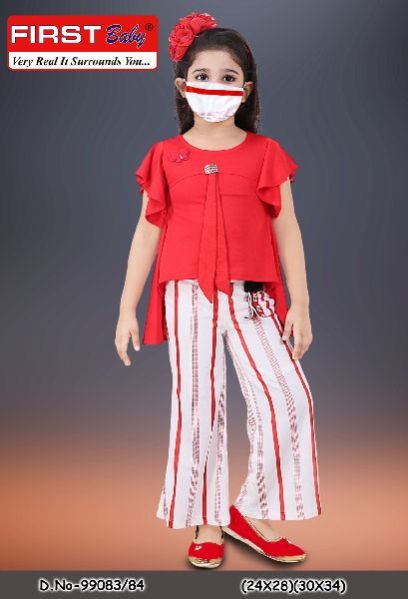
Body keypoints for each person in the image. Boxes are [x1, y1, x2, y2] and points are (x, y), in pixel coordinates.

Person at [115, 12, 323, 569]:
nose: (215, 86)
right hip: (186, 294)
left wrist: (301, 304)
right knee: (197, 405)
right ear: (183, 86)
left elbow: (288, 229)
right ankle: (206, 521)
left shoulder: (266, 153)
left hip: (251, 295)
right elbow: (146, 231)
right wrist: (126, 307)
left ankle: (249, 511)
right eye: (203, 75)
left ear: (246, 89)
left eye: (228, 77)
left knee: (287, 395)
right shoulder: (165, 155)